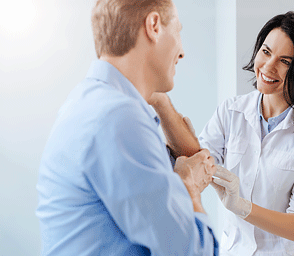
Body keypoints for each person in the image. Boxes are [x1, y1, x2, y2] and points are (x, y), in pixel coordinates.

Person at [151, 11, 294, 255]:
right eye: (266, 51)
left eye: (286, 62)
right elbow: (197, 159)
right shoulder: (232, 111)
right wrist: (160, 100)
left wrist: (242, 206)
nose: (268, 67)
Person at [35, 0, 219, 255]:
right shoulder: (120, 120)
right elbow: (194, 251)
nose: (181, 52)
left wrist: (154, 94)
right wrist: (189, 190)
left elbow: (190, 153)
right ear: (154, 26)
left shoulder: (89, 103)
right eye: (178, 31)